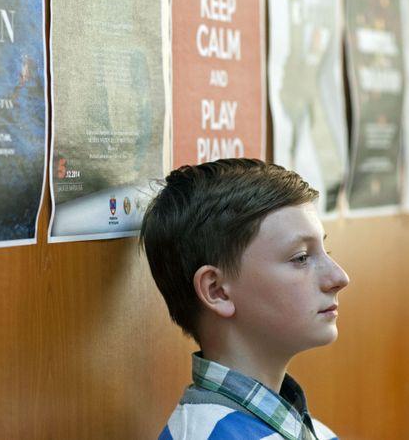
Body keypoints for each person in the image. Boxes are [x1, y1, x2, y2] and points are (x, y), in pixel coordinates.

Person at [140, 159, 349, 440]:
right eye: (301, 258)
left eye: (326, 251)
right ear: (217, 290)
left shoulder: (312, 432)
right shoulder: (208, 434)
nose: (339, 277)